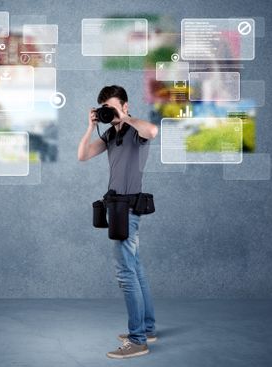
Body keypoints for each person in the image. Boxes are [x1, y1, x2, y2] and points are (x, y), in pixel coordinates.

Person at [77, 85, 158, 359]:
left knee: (126, 274)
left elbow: (153, 131)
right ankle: (146, 329)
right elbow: (83, 155)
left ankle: (137, 341)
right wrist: (90, 127)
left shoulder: (136, 130)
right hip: (115, 205)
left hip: (128, 208)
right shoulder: (111, 134)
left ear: (125, 105)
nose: (109, 113)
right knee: (135, 268)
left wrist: (124, 117)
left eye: (113, 107)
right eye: (105, 109)